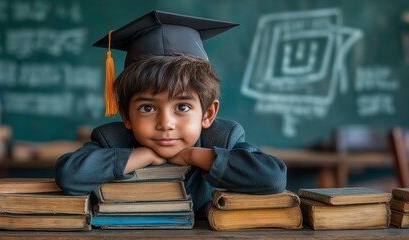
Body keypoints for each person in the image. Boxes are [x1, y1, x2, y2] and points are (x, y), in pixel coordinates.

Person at [55, 10, 287, 217]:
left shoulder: (223, 138)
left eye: (182, 107)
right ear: (126, 115)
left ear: (208, 114)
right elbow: (69, 175)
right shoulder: (112, 139)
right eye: (147, 108)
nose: (165, 124)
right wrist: (141, 156)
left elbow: (272, 178)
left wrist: (194, 156)